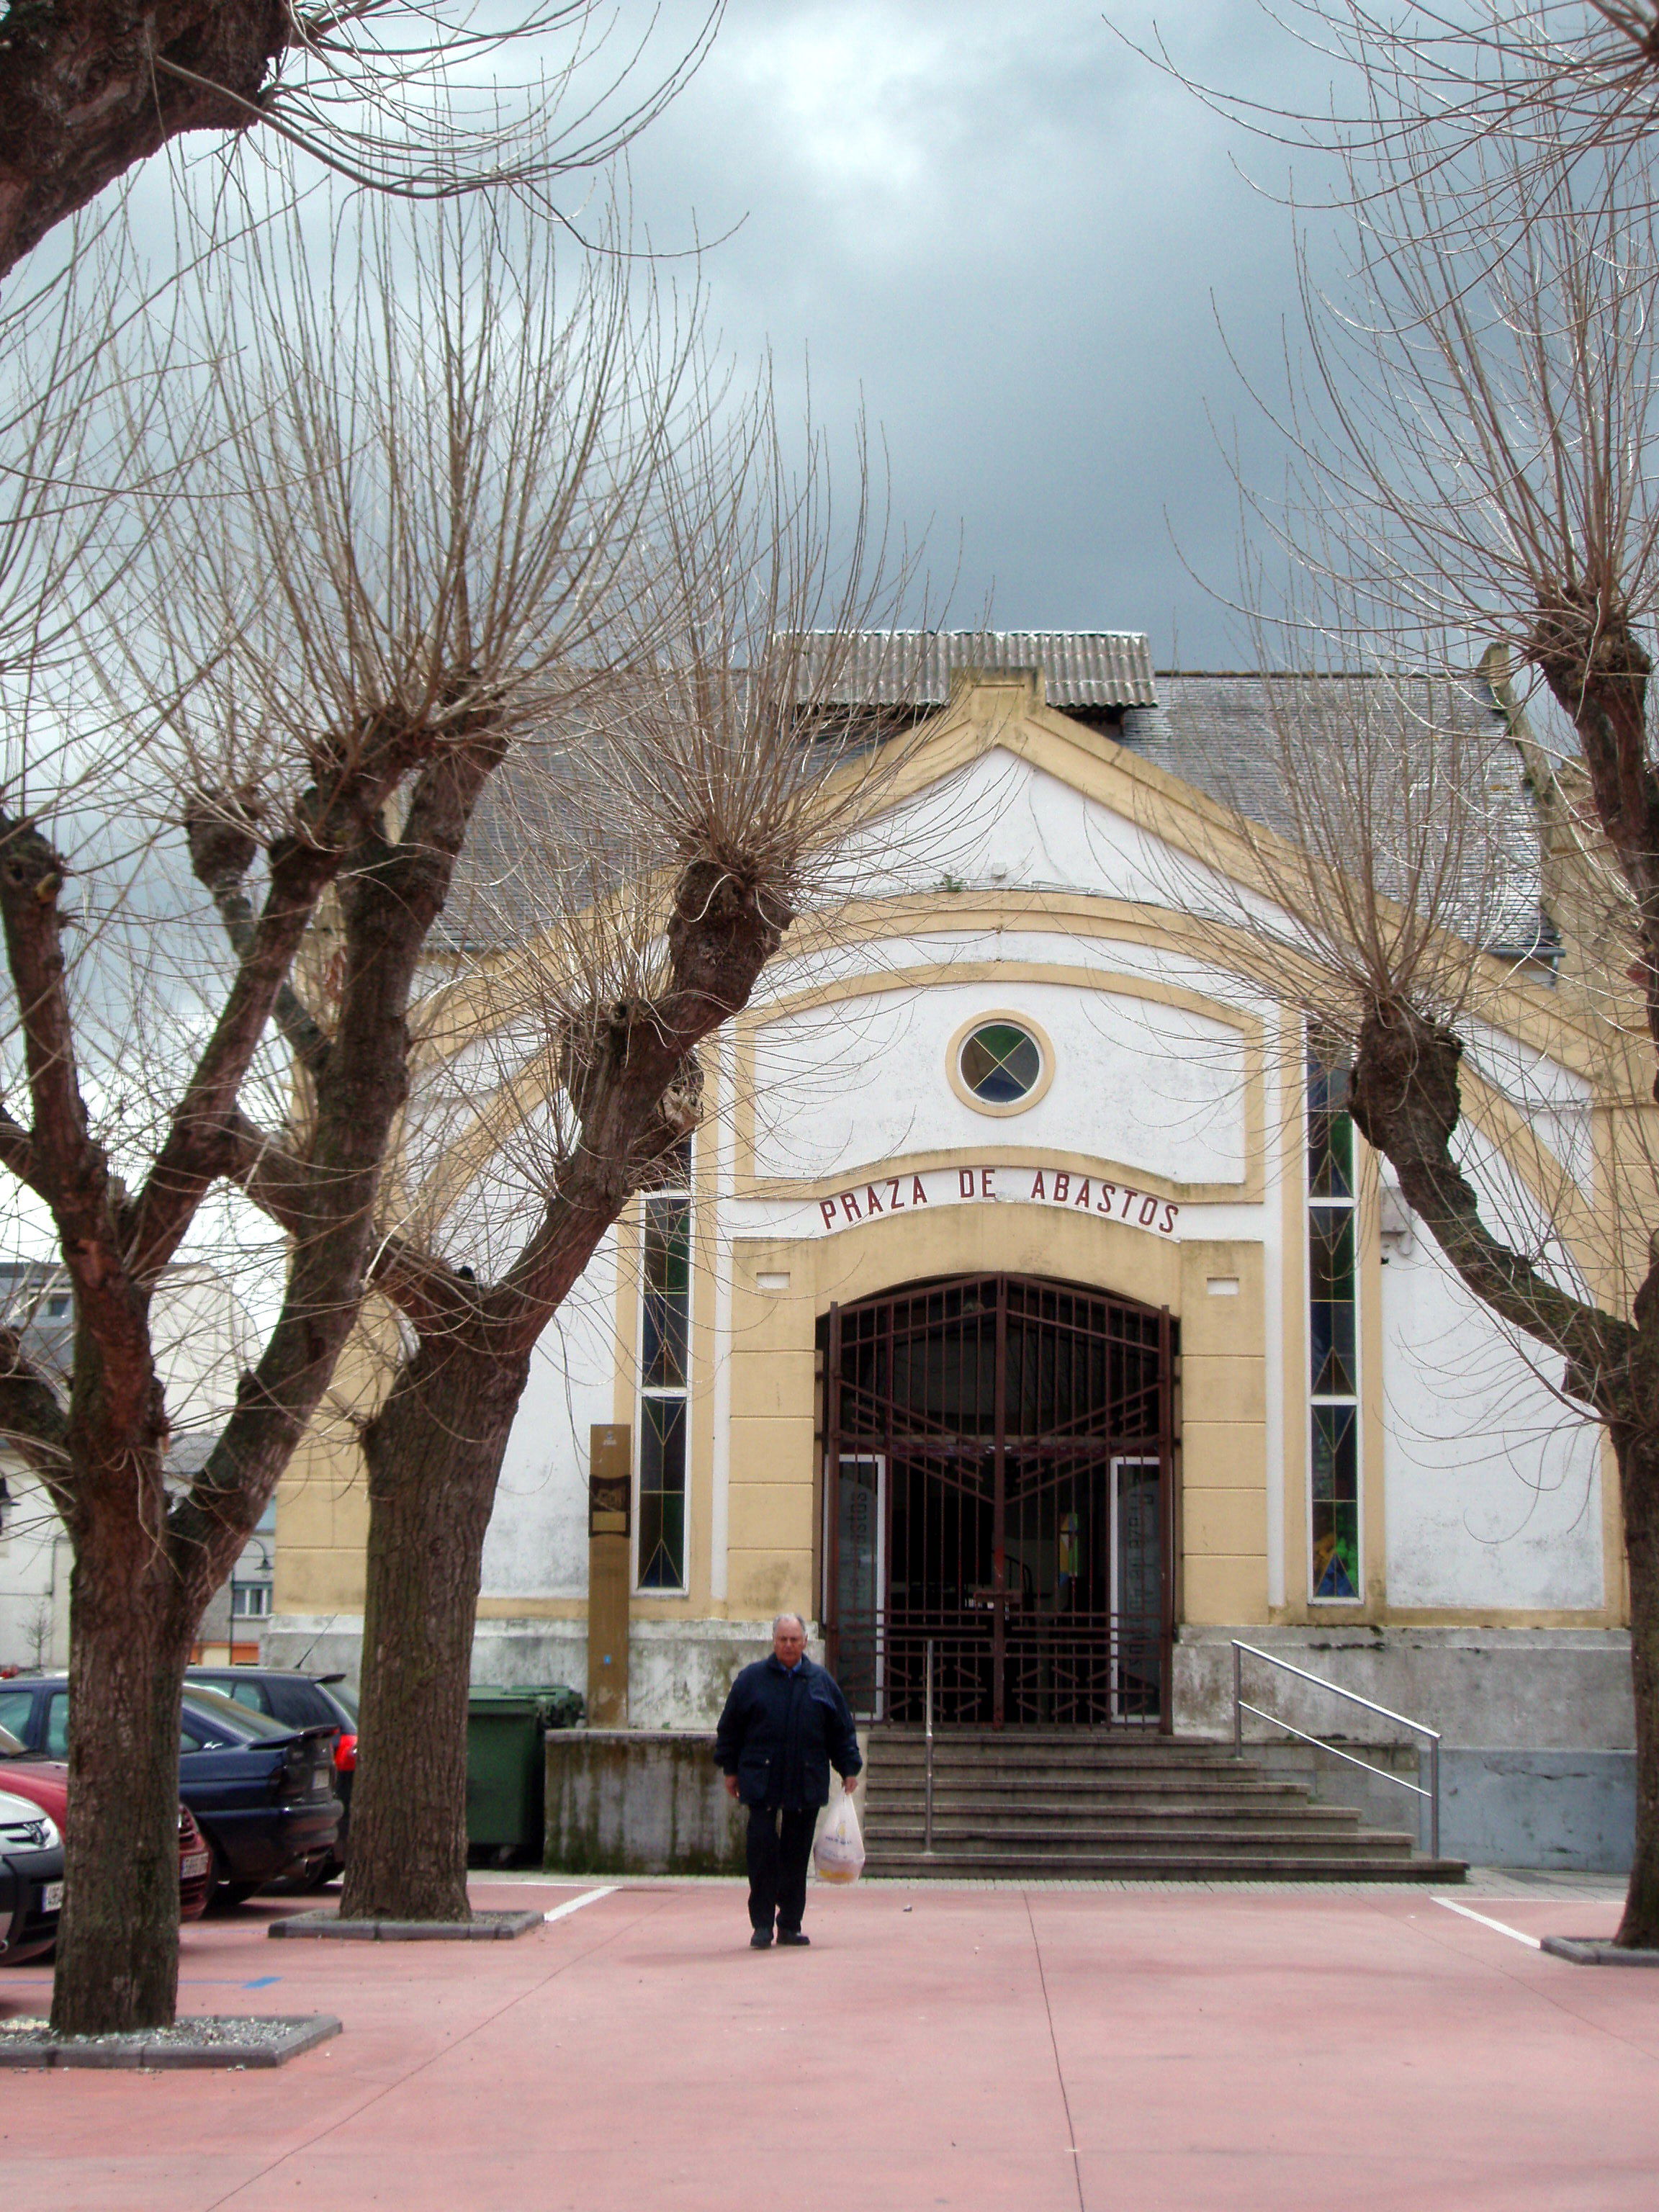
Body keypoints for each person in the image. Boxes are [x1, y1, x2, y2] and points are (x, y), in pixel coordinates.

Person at [714, 1611, 862, 1948]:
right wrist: (730, 1769)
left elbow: (841, 1730)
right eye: (783, 1639)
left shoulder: (821, 1682)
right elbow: (730, 1728)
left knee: (796, 1856)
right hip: (761, 1780)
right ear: (774, 1641)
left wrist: (849, 1767)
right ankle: (762, 1925)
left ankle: (790, 1924)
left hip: (805, 1779)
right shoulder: (751, 1680)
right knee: (762, 1851)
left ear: (805, 1642)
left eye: (795, 1639)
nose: (789, 1645)